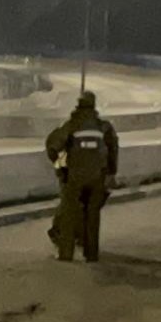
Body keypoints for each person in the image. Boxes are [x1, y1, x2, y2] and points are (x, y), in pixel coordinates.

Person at [45, 91, 119, 263]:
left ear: (78, 105)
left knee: (69, 214)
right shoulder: (103, 127)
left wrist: (59, 164)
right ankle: (91, 254)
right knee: (93, 216)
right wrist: (111, 173)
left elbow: (52, 144)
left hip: (75, 177)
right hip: (97, 179)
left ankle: (66, 254)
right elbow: (113, 150)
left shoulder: (72, 125)